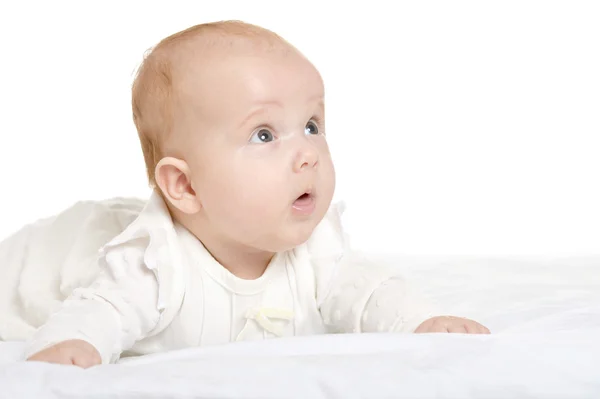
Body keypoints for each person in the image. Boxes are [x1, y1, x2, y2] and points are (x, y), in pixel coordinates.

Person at [26, 20, 489, 368]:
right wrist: (74, 345)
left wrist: (424, 322)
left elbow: (370, 291)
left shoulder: (318, 253)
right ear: (185, 186)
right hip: (54, 257)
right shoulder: (152, 264)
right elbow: (103, 310)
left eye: (312, 125)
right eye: (264, 135)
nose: (307, 152)